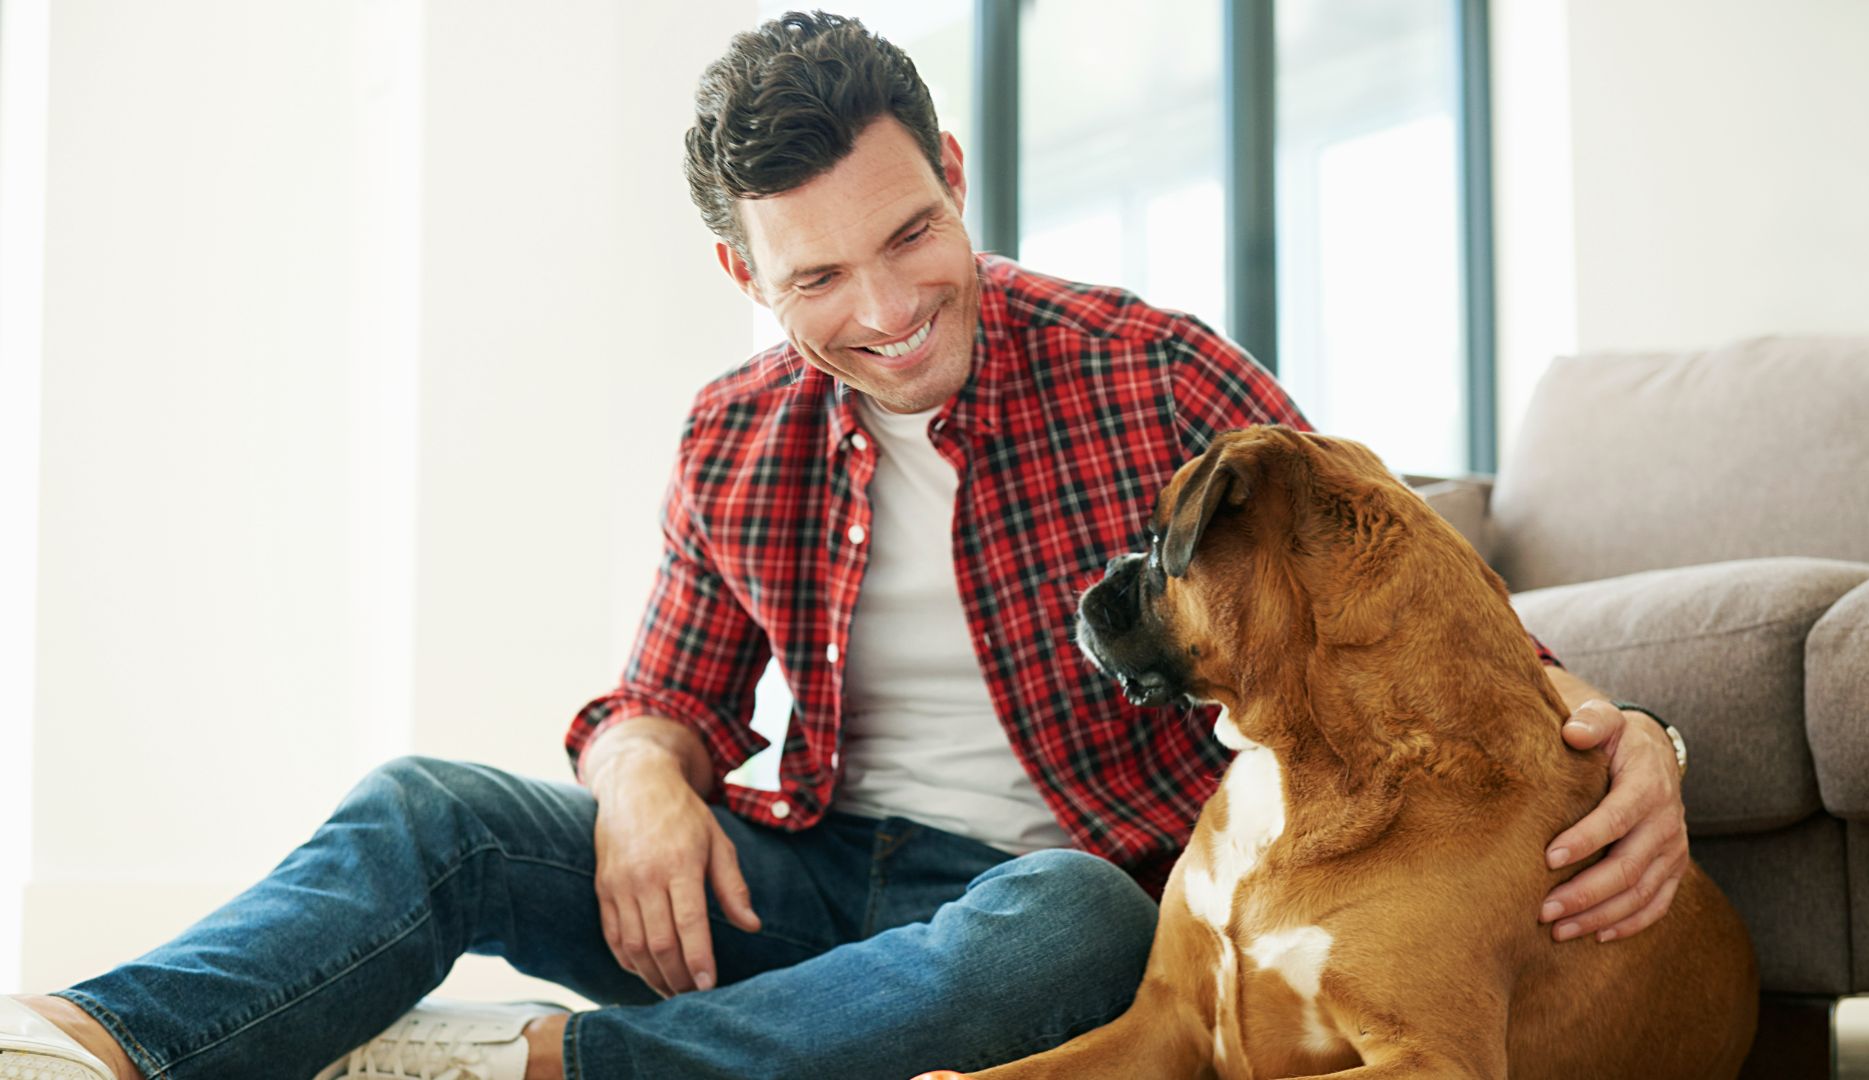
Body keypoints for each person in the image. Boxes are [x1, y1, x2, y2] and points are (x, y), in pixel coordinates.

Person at [0, 12, 1691, 1080]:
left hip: (1067, 894)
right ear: (746, 276)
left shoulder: (1160, 371)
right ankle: (103, 1039)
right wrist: (648, 771)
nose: (887, 314)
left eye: (912, 235)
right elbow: (657, 701)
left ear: (955, 175)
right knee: (424, 813)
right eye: (817, 279)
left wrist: (1645, 746)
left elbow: (1428, 625)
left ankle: (566, 1075)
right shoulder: (732, 436)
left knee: (1063, 935)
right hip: (809, 875)